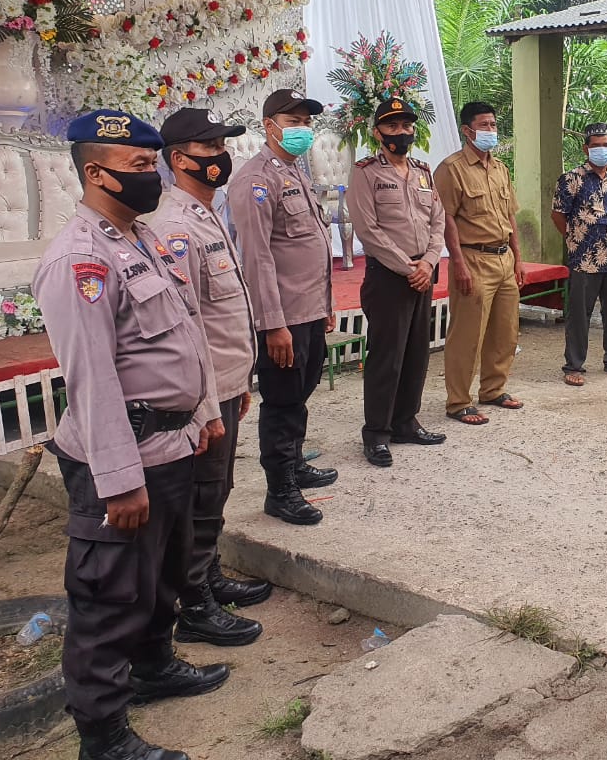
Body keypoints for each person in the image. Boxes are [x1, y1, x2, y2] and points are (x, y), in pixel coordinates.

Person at [32, 109, 228, 760]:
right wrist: (118, 481)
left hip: (171, 442)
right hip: (123, 454)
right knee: (109, 595)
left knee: (161, 576)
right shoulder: (79, 259)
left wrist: (202, 414)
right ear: (96, 172)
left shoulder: (142, 238)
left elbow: (184, 333)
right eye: (140, 167)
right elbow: (91, 378)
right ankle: (104, 736)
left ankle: (155, 666)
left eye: (153, 163)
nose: (154, 176)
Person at [153, 107, 270, 648]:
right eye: (209, 149)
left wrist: (237, 382)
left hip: (224, 383)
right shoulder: (175, 226)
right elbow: (186, 324)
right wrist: (204, 403)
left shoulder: (206, 212)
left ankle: (208, 576)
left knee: (216, 488)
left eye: (222, 146)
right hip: (203, 393)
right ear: (179, 160)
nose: (220, 157)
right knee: (200, 494)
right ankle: (194, 602)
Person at [229, 89, 338, 525]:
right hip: (283, 318)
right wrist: (272, 326)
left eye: (305, 121)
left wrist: (326, 306)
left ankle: (293, 464)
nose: (302, 129)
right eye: (292, 121)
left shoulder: (295, 172)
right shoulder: (255, 180)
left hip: (309, 310)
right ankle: (280, 489)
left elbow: (310, 248)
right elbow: (257, 259)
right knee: (281, 401)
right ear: (269, 125)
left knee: (301, 394)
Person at [346, 98, 447, 467]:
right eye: (392, 126)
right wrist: (410, 268)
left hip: (424, 272)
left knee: (417, 352)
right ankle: (376, 433)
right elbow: (368, 230)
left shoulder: (423, 172)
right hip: (390, 276)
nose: (401, 132)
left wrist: (430, 262)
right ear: (377, 132)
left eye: (406, 126)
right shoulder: (366, 172)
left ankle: (406, 421)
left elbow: (438, 220)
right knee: (387, 357)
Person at [434, 101, 526, 426]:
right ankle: (459, 401)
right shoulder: (451, 169)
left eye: (493, 124)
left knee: (505, 331)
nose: (491, 130)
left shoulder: (500, 168)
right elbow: (445, 219)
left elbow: (510, 216)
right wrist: (457, 263)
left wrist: (518, 259)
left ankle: (493, 389)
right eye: (484, 125)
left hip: (504, 259)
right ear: (467, 130)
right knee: (467, 335)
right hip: (472, 258)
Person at [551, 122, 607, 386]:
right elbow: (558, 215)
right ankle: (574, 365)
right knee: (580, 314)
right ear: (586, 148)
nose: (602, 150)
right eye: (596, 146)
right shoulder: (571, 179)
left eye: (606, 145)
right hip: (583, 259)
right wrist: (573, 239)